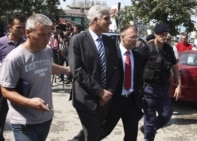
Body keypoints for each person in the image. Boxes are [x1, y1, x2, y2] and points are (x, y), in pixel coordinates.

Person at [0, 13, 70, 141]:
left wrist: (68, 70)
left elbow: (47, 67)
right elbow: (5, 90)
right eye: (42, 34)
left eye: (49, 34)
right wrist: (30, 102)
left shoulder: (47, 50)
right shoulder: (14, 58)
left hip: (45, 118)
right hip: (24, 122)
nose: (47, 39)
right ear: (28, 33)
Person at [68, 5, 119, 141]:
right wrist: (99, 91)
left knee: (94, 132)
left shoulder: (109, 42)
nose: (110, 22)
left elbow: (116, 68)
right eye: (106, 18)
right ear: (96, 20)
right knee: (93, 134)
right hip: (86, 98)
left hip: (105, 99)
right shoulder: (78, 40)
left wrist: (108, 92)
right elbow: (77, 69)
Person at [138, 22, 182, 141]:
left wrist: (179, 86)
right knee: (150, 119)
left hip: (163, 89)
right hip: (149, 89)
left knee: (166, 115)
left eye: (166, 34)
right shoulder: (146, 50)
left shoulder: (169, 50)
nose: (164, 37)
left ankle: (148, 129)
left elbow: (174, 67)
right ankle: (149, 135)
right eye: (161, 34)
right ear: (155, 34)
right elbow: (137, 70)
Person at [100, 25, 143, 141]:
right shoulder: (111, 54)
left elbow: (139, 78)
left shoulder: (137, 56)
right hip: (114, 100)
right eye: (133, 37)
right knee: (102, 131)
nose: (136, 40)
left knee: (131, 135)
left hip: (131, 101)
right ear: (123, 37)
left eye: (137, 37)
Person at [0, 13, 26, 141]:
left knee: (22, 118)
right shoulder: (1, 43)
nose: (22, 31)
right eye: (18, 27)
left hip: (21, 88)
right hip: (3, 87)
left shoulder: (26, 44)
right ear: (10, 27)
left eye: (23, 27)